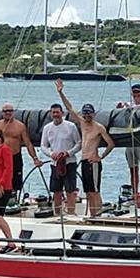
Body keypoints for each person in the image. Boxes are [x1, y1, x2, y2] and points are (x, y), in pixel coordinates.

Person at [55, 79, 115, 216]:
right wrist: (60, 92)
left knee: (94, 190)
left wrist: (101, 157)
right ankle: (92, 213)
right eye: (85, 113)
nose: (87, 115)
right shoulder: (82, 123)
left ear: (93, 114)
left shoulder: (98, 127)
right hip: (84, 160)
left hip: (93, 162)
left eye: (89, 113)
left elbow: (111, 144)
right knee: (87, 191)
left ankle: (97, 214)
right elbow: (69, 108)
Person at [0, 102, 42, 197]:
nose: (8, 113)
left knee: (15, 183)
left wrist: (35, 158)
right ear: (2, 112)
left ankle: (13, 200)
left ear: (13, 112)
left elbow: (28, 143)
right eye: (5, 111)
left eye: (10, 111)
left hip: (15, 156)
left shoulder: (20, 126)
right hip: (0, 157)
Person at [40, 102, 81, 215]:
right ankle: (57, 213)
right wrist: (51, 154)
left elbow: (79, 143)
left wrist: (69, 153)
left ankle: (71, 214)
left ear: (62, 113)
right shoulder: (47, 128)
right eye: (53, 112)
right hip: (55, 163)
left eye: (58, 112)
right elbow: (43, 146)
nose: (56, 114)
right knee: (56, 191)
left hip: (70, 162)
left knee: (70, 190)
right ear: (50, 114)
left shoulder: (71, 126)